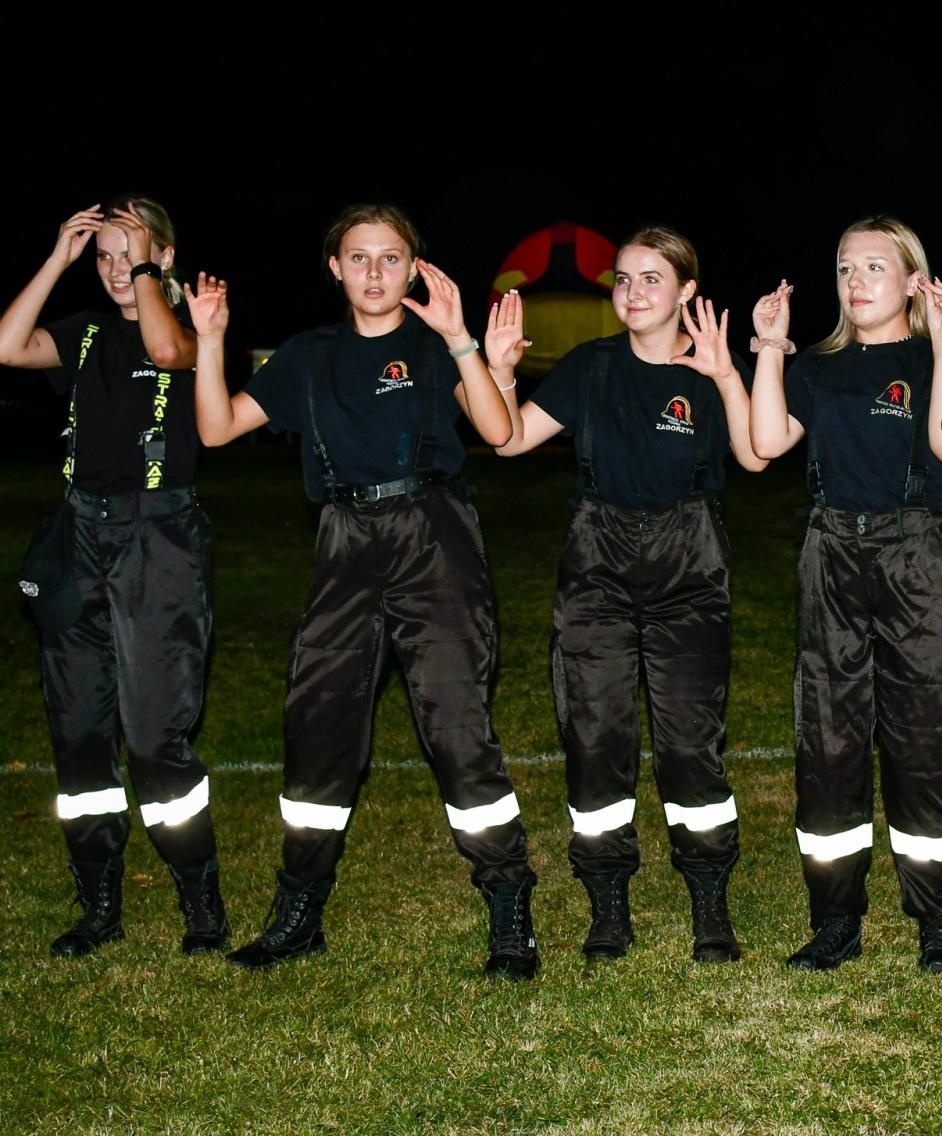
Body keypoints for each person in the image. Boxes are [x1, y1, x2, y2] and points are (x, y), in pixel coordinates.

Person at [186, 203, 541, 978]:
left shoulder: (432, 344)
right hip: (345, 542)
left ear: (415, 268)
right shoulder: (308, 356)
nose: (374, 272)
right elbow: (214, 430)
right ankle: (298, 912)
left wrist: (461, 339)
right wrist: (210, 340)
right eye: (358, 257)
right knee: (317, 724)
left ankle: (510, 906)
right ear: (335, 268)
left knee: (455, 725)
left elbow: (501, 431)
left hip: (434, 535)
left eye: (390, 258)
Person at [486, 225, 765, 963]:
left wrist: (728, 374)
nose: (633, 293)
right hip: (597, 565)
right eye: (625, 279)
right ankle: (608, 904)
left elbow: (755, 456)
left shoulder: (711, 368)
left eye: (651, 279)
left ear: (687, 293)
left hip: (690, 564)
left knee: (689, 746)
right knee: (595, 737)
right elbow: (509, 439)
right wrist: (501, 370)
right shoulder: (591, 368)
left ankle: (710, 905)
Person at [0, 197, 230, 958]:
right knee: (78, 732)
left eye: (127, 255)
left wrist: (142, 268)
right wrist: (61, 259)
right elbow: (7, 345)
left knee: (157, 734)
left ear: (163, 256)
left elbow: (169, 356)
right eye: (102, 259)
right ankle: (99, 901)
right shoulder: (86, 330)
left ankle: (200, 899)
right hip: (79, 533)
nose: (113, 272)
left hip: (158, 536)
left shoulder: (192, 324)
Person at [748, 215, 942, 974]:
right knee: (829, 739)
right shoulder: (817, 365)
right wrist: (772, 349)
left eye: (873, 267)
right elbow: (765, 443)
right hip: (833, 553)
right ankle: (835, 920)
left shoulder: (932, 353)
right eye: (845, 267)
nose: (855, 282)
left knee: (928, 740)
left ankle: (939, 922)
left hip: (918, 553)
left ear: (913, 278)